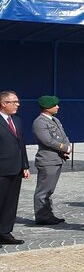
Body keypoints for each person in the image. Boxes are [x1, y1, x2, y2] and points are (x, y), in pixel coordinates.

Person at [31, 95, 70, 225]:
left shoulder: (55, 120)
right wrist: (64, 147)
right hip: (47, 160)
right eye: (55, 105)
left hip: (57, 159)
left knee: (49, 190)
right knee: (43, 191)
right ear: (47, 107)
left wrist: (67, 146)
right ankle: (42, 216)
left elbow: (63, 135)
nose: (58, 107)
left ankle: (48, 214)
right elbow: (47, 140)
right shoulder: (40, 122)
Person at [0, 91, 30, 245]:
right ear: (3, 103)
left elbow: (21, 144)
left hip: (16, 168)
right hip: (1, 170)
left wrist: (25, 165)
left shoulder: (16, 120)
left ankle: (5, 232)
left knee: (11, 203)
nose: (18, 104)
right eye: (14, 102)